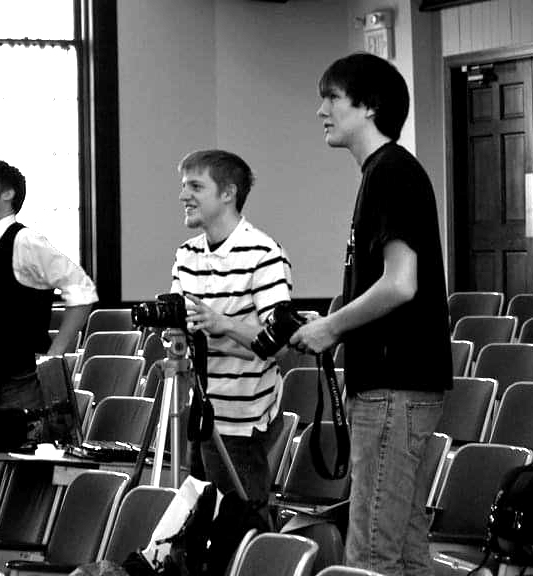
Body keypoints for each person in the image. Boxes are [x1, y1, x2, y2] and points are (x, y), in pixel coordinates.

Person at [290, 53, 451, 576]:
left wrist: (331, 327)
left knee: (371, 558)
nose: (321, 111)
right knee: (405, 554)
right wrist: (333, 318)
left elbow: (402, 283)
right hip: (396, 387)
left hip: (392, 386)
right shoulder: (384, 172)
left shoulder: (391, 173)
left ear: (369, 107)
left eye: (332, 98)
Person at [170, 149, 293, 513]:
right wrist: (177, 335)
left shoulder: (264, 254)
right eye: (183, 186)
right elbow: (184, 324)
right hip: (201, 409)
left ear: (228, 193)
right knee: (196, 522)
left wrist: (222, 325)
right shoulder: (186, 254)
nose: (183, 196)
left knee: (240, 524)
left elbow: (279, 344)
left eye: (195, 187)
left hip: (243, 419)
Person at [0, 155, 97, 441]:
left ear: (7, 194)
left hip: (23, 383)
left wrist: (54, 356)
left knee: (24, 464)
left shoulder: (27, 242)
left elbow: (82, 291)